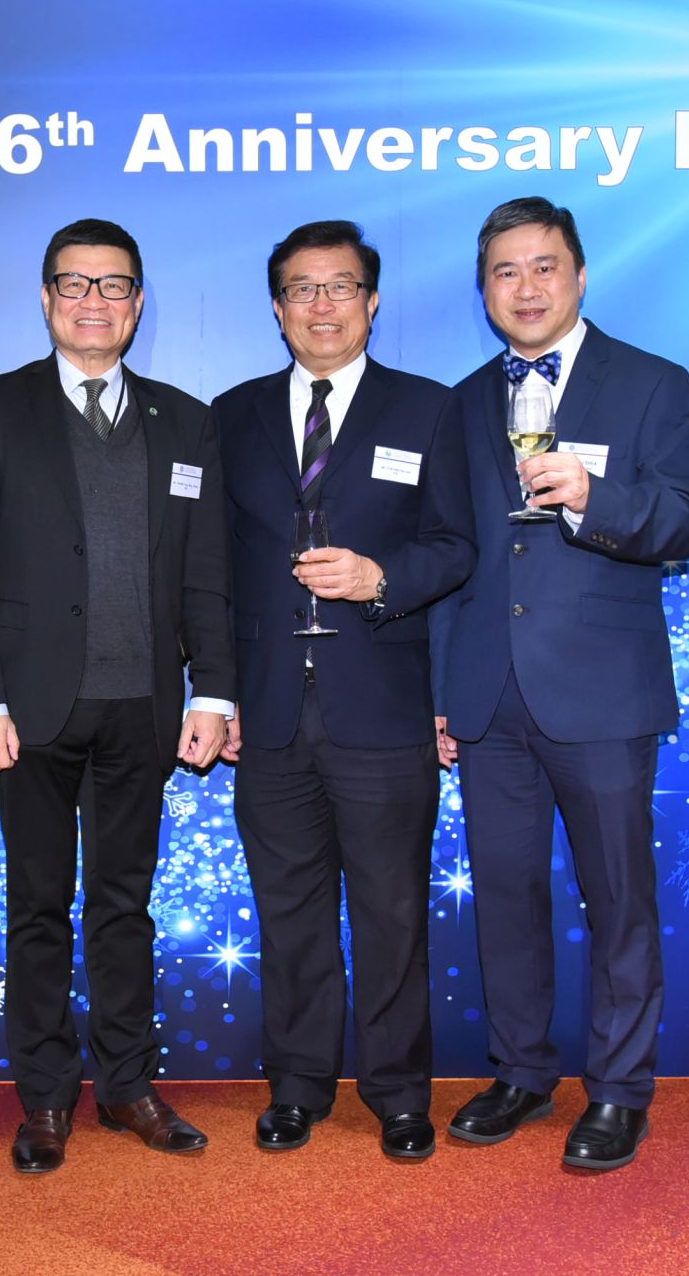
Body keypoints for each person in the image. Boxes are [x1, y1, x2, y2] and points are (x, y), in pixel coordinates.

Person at [0, 218, 236, 1174]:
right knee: (37, 906)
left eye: (113, 285)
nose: (94, 302)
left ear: (138, 303)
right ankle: (43, 1098)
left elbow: (206, 571)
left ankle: (127, 1085)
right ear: (46, 299)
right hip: (28, 713)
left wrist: (213, 691)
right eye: (74, 284)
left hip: (142, 708)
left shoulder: (184, 420)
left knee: (124, 905)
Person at [430, 196, 689, 1172]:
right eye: (504, 272)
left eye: (543, 266)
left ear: (580, 274)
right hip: (488, 698)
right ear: (484, 290)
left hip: (602, 691)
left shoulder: (651, 383)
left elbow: (687, 522)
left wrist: (596, 497)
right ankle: (520, 1071)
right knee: (506, 899)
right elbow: (453, 555)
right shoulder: (463, 401)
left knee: (618, 899)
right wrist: (443, 690)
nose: (526, 287)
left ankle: (621, 1089)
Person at [213, 220, 474, 1160]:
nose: (321, 305)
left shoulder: (430, 410)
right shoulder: (232, 414)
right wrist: (218, 692)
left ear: (372, 301)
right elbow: (210, 570)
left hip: (387, 702)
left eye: (340, 287)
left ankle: (399, 1093)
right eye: (301, 289)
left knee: (392, 912)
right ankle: (296, 1085)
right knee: (288, 912)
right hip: (269, 711)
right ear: (278, 308)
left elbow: (459, 547)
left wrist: (379, 579)